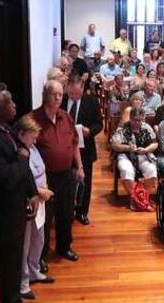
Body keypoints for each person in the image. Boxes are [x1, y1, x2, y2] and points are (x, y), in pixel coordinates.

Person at [0, 83, 45, 303]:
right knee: (8, 264)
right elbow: (8, 177)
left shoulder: (8, 130)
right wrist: (22, 158)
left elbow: (23, 172)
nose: (14, 105)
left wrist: (33, 193)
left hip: (19, 207)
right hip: (5, 212)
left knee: (16, 261)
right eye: (8, 102)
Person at [33, 79, 84, 265]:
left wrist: (79, 167)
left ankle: (64, 247)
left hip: (67, 174)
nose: (57, 98)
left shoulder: (66, 117)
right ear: (45, 95)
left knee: (66, 213)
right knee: (46, 219)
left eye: (60, 94)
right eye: (53, 94)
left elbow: (75, 143)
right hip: (46, 178)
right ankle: (41, 255)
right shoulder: (34, 119)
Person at [14, 114, 55, 303]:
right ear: (22, 134)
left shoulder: (33, 148)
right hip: (29, 201)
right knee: (26, 242)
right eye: (32, 136)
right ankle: (23, 283)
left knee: (39, 238)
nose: (35, 139)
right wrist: (39, 192)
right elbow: (23, 179)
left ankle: (34, 271)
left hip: (41, 200)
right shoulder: (19, 152)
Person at [61, 76, 102, 225]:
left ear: (83, 88)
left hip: (85, 149)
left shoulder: (91, 101)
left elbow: (99, 124)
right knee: (66, 180)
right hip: (64, 148)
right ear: (67, 88)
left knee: (85, 181)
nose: (74, 97)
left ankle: (82, 212)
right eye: (72, 94)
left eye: (77, 94)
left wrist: (89, 131)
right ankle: (67, 210)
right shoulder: (62, 100)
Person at [111, 108, 159, 210]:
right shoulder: (123, 128)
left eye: (139, 120)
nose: (137, 122)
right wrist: (128, 148)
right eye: (134, 120)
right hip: (126, 155)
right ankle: (135, 199)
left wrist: (146, 149)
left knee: (152, 169)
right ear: (130, 118)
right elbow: (114, 145)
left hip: (143, 154)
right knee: (126, 170)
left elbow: (155, 144)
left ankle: (144, 198)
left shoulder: (146, 127)